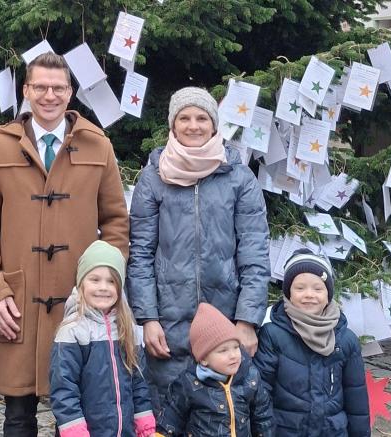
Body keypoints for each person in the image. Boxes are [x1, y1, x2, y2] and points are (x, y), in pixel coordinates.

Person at [0, 52, 130, 435]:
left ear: (71, 92)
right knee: (17, 417)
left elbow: (116, 223)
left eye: (58, 87)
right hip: (17, 303)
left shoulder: (97, 145)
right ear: (26, 90)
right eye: (40, 86)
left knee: (73, 415)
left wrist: (103, 286)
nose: (49, 95)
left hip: (79, 305)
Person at [126, 86, 270, 411]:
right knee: (167, 419)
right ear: (172, 126)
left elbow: (255, 254)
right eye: (184, 118)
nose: (193, 125)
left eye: (202, 117)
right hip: (169, 328)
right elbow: (141, 255)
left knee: (221, 418)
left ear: (214, 125)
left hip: (226, 326)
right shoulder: (153, 179)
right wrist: (147, 318)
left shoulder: (240, 178)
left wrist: (247, 321)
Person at [253, 250, 370, 436]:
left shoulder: (346, 340)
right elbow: (261, 393)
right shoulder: (272, 335)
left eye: (318, 288)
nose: (309, 294)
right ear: (288, 292)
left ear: (328, 293)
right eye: (300, 288)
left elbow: (356, 398)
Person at [49, 241, 155, 437]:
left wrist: (143, 420)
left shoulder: (128, 329)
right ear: (81, 282)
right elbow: (64, 388)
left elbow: (139, 382)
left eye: (111, 281)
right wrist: (74, 430)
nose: (103, 287)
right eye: (95, 280)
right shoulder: (72, 331)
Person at [157, 303, 273, 436]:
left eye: (236, 347)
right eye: (223, 351)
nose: (233, 355)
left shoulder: (250, 377)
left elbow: (263, 416)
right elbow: (171, 418)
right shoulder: (188, 383)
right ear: (204, 359)